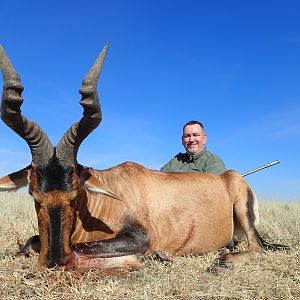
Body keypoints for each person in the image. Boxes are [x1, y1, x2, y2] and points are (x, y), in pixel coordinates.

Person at [160, 120, 226, 175]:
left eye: (196, 135)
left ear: (204, 138)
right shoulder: (175, 161)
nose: (191, 140)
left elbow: (213, 189)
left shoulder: (213, 162)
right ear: (182, 140)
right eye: (187, 136)